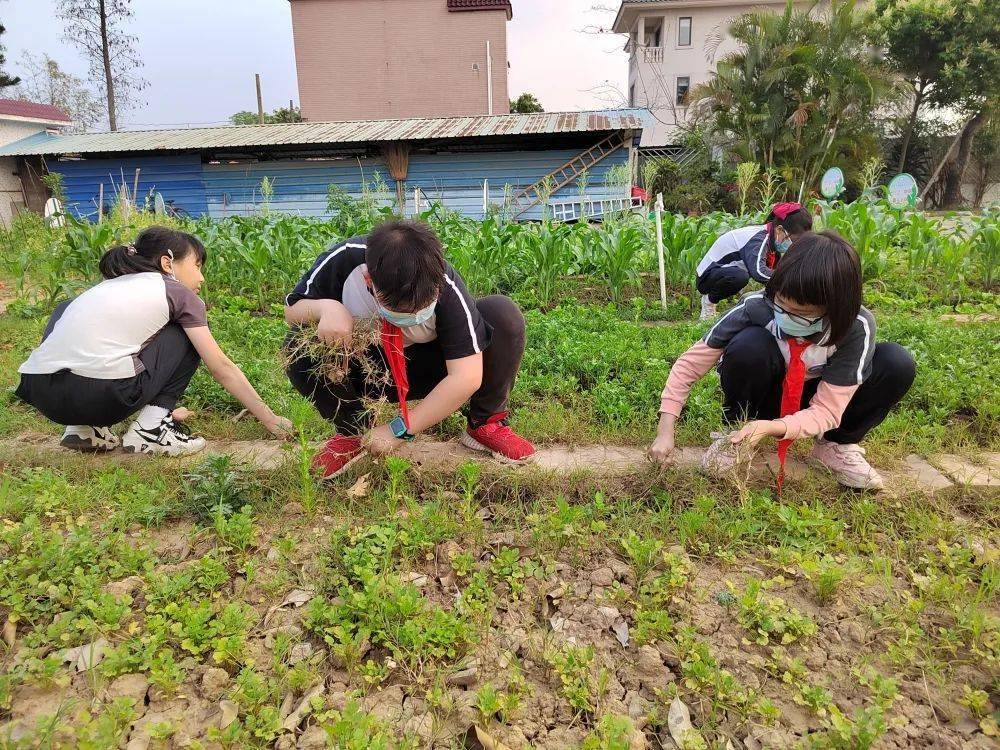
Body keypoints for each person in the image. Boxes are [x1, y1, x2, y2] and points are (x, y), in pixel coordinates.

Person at [650, 231, 916, 491]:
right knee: (749, 345)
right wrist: (665, 431)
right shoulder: (757, 306)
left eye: (800, 313)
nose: (786, 316)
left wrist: (773, 428)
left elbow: (826, 409)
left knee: (896, 363)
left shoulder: (854, 327)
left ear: (835, 307)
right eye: (781, 305)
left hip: (815, 398)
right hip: (768, 392)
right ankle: (737, 435)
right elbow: (690, 365)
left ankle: (835, 446)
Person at [284, 219, 535, 480]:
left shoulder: (445, 283)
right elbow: (291, 311)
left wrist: (398, 430)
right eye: (400, 311)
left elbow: (465, 377)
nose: (413, 316)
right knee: (297, 344)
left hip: (427, 369)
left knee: (502, 313)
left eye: (422, 307)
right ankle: (353, 432)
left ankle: (485, 424)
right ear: (370, 280)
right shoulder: (344, 260)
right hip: (368, 371)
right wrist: (326, 308)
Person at [16, 226, 292, 455]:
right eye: (197, 265)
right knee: (184, 333)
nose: (202, 277)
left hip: (42, 394)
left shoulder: (99, 290)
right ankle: (151, 430)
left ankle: (85, 430)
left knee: (67, 310)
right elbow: (221, 367)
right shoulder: (177, 292)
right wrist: (271, 419)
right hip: (101, 396)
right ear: (167, 262)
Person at [696, 202, 813, 320]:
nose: (795, 244)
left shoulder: (772, 241)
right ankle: (709, 301)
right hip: (707, 277)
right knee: (740, 277)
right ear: (780, 230)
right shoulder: (759, 239)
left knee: (773, 276)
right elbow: (759, 272)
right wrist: (791, 280)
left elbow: (774, 273)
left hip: (725, 272)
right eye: (795, 240)